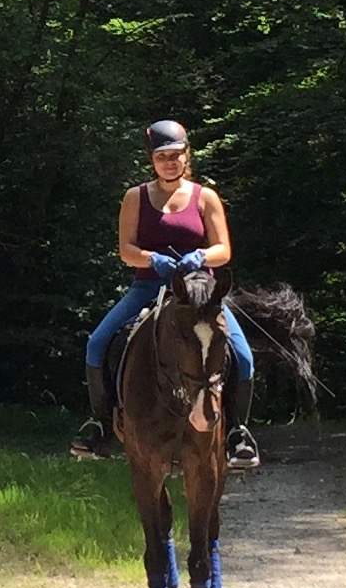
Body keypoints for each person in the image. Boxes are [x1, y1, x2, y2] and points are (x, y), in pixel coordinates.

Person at [69, 120, 261, 473]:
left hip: (199, 291)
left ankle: (237, 432)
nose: (170, 162)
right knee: (97, 343)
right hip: (148, 286)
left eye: (176, 155)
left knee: (243, 357)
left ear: (187, 156)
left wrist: (200, 257)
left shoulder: (205, 197)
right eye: (162, 157)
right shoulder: (135, 198)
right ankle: (99, 423)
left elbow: (224, 249)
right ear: (152, 160)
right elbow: (126, 249)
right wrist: (152, 260)